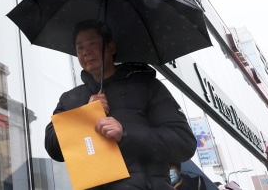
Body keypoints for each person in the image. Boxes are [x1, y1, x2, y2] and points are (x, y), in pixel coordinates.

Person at [45, 20, 197, 190]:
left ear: (111, 47)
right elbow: (52, 147)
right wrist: (85, 115)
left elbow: (184, 143)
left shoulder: (147, 87)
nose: (86, 51)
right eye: (79, 47)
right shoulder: (70, 99)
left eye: (92, 43)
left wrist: (125, 134)